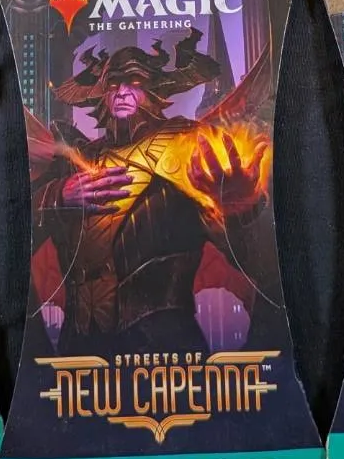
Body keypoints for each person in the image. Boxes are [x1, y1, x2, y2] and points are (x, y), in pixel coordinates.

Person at [30, 29, 270, 352]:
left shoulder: (185, 146)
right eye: (113, 85)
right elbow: (16, 234)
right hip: (81, 342)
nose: (122, 93)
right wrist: (59, 196)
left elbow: (257, 261)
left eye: (134, 83)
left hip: (165, 343)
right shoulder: (77, 160)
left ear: (152, 90)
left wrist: (241, 211)